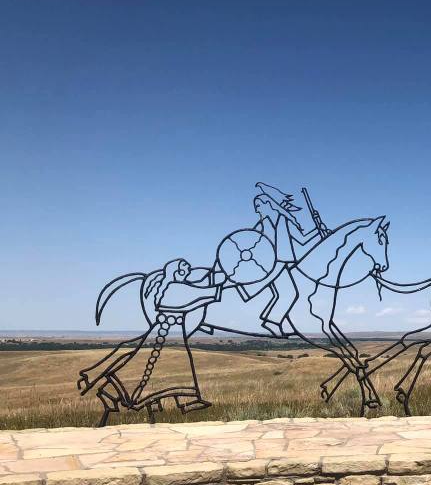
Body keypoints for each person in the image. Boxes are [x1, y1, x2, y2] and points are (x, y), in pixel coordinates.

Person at [78, 258, 222, 426]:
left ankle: (169, 404)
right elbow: (203, 293)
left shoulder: (173, 287)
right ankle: (115, 398)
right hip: (163, 336)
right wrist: (222, 281)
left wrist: (215, 277)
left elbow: (198, 290)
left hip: (165, 334)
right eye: (186, 271)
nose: (189, 274)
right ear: (178, 272)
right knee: (144, 372)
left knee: (155, 370)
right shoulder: (174, 288)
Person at [239, 182, 324, 337]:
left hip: (282, 262)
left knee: (290, 293)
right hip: (272, 264)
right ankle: (269, 318)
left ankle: (272, 321)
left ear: (267, 203)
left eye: (258, 205)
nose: (256, 210)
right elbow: (251, 243)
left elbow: (303, 240)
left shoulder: (284, 221)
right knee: (287, 293)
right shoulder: (262, 225)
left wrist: (318, 230)